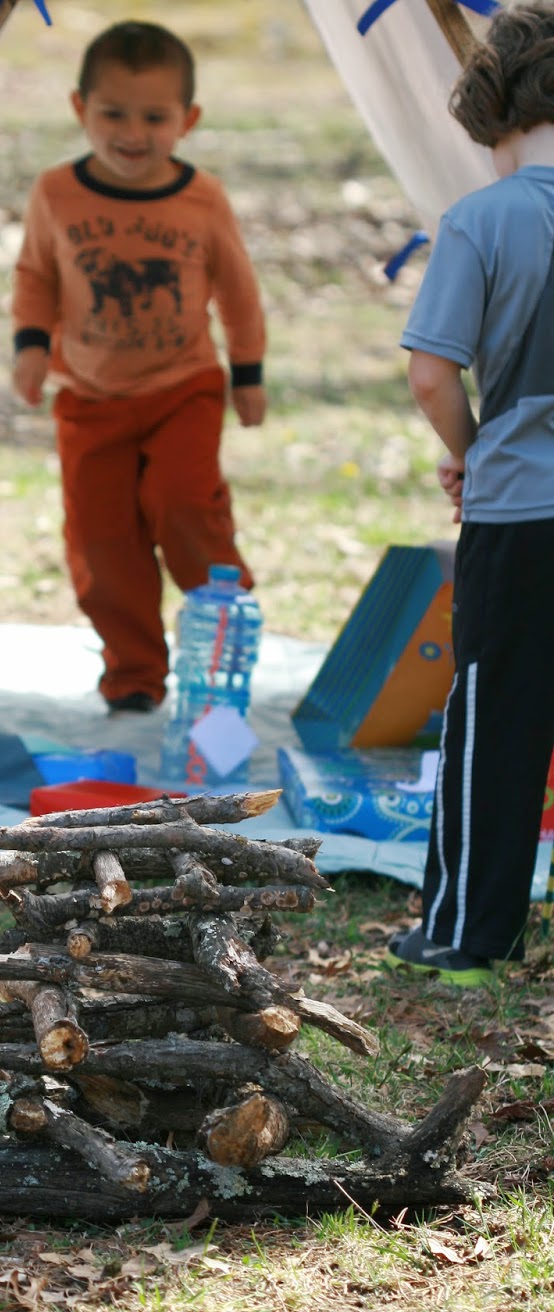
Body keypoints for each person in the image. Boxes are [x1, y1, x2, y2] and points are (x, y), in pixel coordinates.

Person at [11, 20, 266, 714]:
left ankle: (222, 622)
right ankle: (133, 677)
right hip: (89, 397)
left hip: (181, 387)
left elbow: (237, 290)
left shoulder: (201, 199)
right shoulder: (57, 192)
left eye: (154, 116)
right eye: (112, 113)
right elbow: (35, 273)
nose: (133, 132)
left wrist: (248, 373)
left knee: (183, 504)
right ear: (79, 110)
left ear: (187, 120)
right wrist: (30, 345)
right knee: (102, 541)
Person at [387, 1, 554, 985]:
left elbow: (430, 374)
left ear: (490, 113)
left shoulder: (483, 218)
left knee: (497, 719)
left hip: (521, 509)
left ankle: (463, 934)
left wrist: (471, 446)